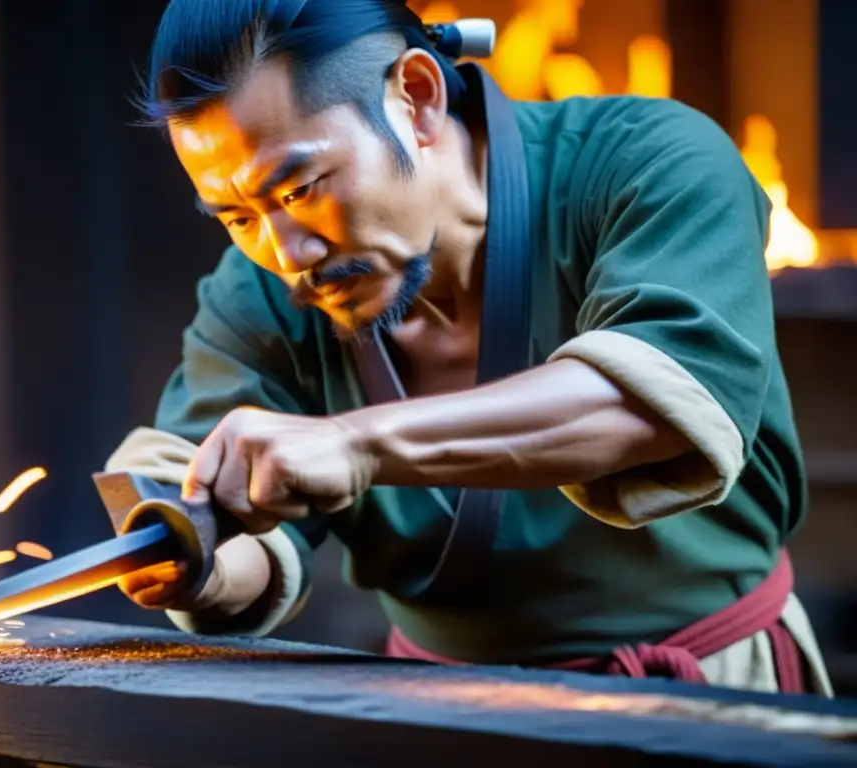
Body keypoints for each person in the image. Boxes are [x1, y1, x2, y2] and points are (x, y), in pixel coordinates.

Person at [105, 0, 834, 696]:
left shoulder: (651, 162)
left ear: (417, 98)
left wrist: (354, 444)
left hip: (709, 693)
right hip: (436, 714)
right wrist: (196, 561)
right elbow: (200, 492)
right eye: (236, 216)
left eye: (299, 189)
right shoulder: (262, 289)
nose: (286, 253)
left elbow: (654, 403)